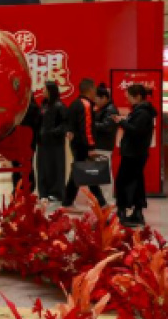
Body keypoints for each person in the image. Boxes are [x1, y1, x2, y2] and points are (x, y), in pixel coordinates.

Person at [114, 85, 157, 228]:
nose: (127, 100)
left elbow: (136, 130)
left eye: (129, 97)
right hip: (136, 152)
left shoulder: (142, 113)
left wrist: (121, 122)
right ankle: (137, 212)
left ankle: (123, 211)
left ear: (137, 96)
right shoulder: (142, 111)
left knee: (123, 181)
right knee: (136, 182)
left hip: (134, 153)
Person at [63, 78, 107, 208]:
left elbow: (69, 124)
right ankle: (101, 202)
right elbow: (87, 128)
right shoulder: (86, 105)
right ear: (90, 89)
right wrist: (91, 147)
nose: (96, 92)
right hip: (83, 145)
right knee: (89, 172)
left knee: (78, 172)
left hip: (76, 144)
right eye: (95, 89)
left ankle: (67, 202)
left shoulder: (74, 104)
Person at [37, 82, 68, 203]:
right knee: (43, 168)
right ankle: (43, 192)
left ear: (50, 91)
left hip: (55, 144)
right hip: (43, 143)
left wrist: (53, 132)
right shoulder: (43, 105)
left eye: (44, 89)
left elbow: (65, 124)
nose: (42, 91)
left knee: (56, 168)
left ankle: (56, 193)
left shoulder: (59, 106)